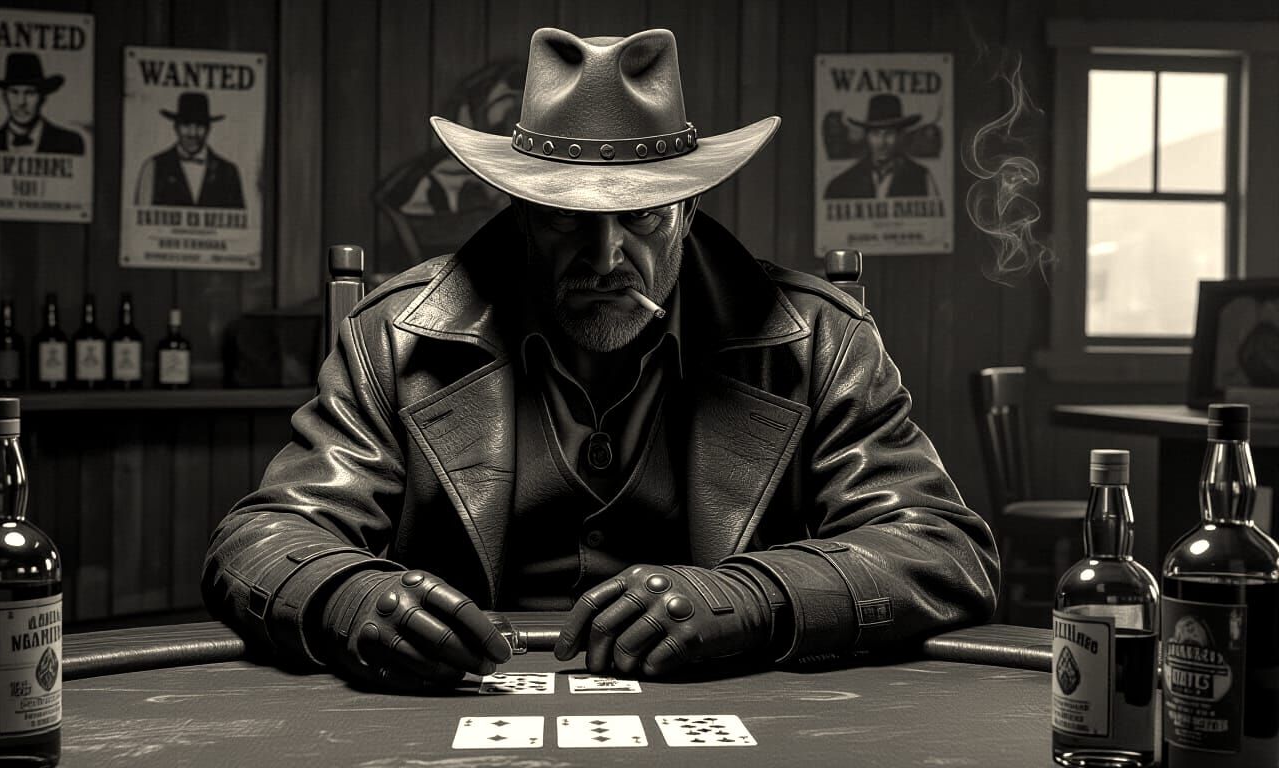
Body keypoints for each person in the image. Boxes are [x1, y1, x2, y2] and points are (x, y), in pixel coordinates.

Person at [204, 27, 997, 690]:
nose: (606, 256)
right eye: (565, 219)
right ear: (520, 212)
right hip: (457, 701)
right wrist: (350, 599)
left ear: (688, 210)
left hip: (739, 699)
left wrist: (752, 598)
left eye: (642, 217)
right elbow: (263, 539)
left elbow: (940, 548)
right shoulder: (396, 335)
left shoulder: (817, 338)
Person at [134, 92, 245, 208]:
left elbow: (240, 217)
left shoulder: (228, 172)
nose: (193, 133)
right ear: (176, 127)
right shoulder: (153, 167)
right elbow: (138, 216)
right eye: (186, 125)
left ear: (208, 129)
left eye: (200, 126)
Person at [823, 93, 939, 199]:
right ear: (867, 137)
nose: (882, 142)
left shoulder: (922, 178)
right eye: (875, 134)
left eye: (889, 134)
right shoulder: (841, 184)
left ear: (900, 136)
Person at [0, 52, 85, 155]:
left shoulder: (70, 143)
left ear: (43, 98)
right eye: (14, 92)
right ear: (4, 97)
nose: (21, 102)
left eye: (30, 93)